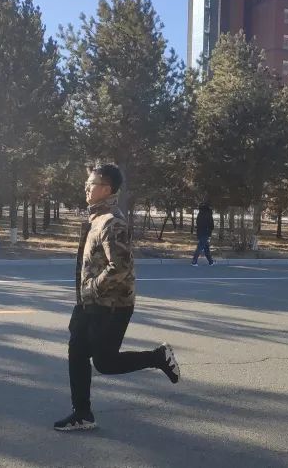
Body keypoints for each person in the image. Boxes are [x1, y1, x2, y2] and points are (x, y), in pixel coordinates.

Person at [54, 164, 181, 432]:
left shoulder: (113, 222)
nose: (86, 188)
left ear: (106, 189)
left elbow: (120, 267)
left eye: (91, 183)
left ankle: (158, 357)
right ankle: (83, 413)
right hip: (91, 303)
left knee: (104, 362)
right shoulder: (97, 218)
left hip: (111, 306)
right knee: (79, 352)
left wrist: (92, 288)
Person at [192, 202, 215, 266]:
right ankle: (194, 261)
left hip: (200, 232)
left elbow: (197, 222)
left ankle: (211, 262)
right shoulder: (209, 214)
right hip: (206, 232)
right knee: (200, 247)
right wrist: (210, 231)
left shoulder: (200, 214)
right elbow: (211, 225)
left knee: (206, 248)